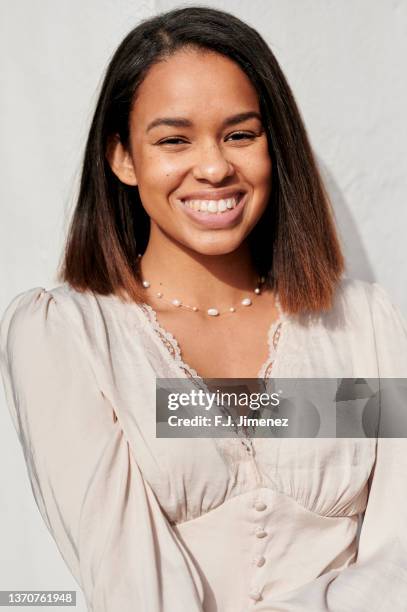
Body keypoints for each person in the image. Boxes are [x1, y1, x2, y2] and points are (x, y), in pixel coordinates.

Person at [1, 6, 407, 611]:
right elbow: (131, 586)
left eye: (241, 134)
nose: (215, 167)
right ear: (123, 158)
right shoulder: (69, 337)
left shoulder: (365, 324)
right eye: (173, 140)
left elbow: (398, 561)